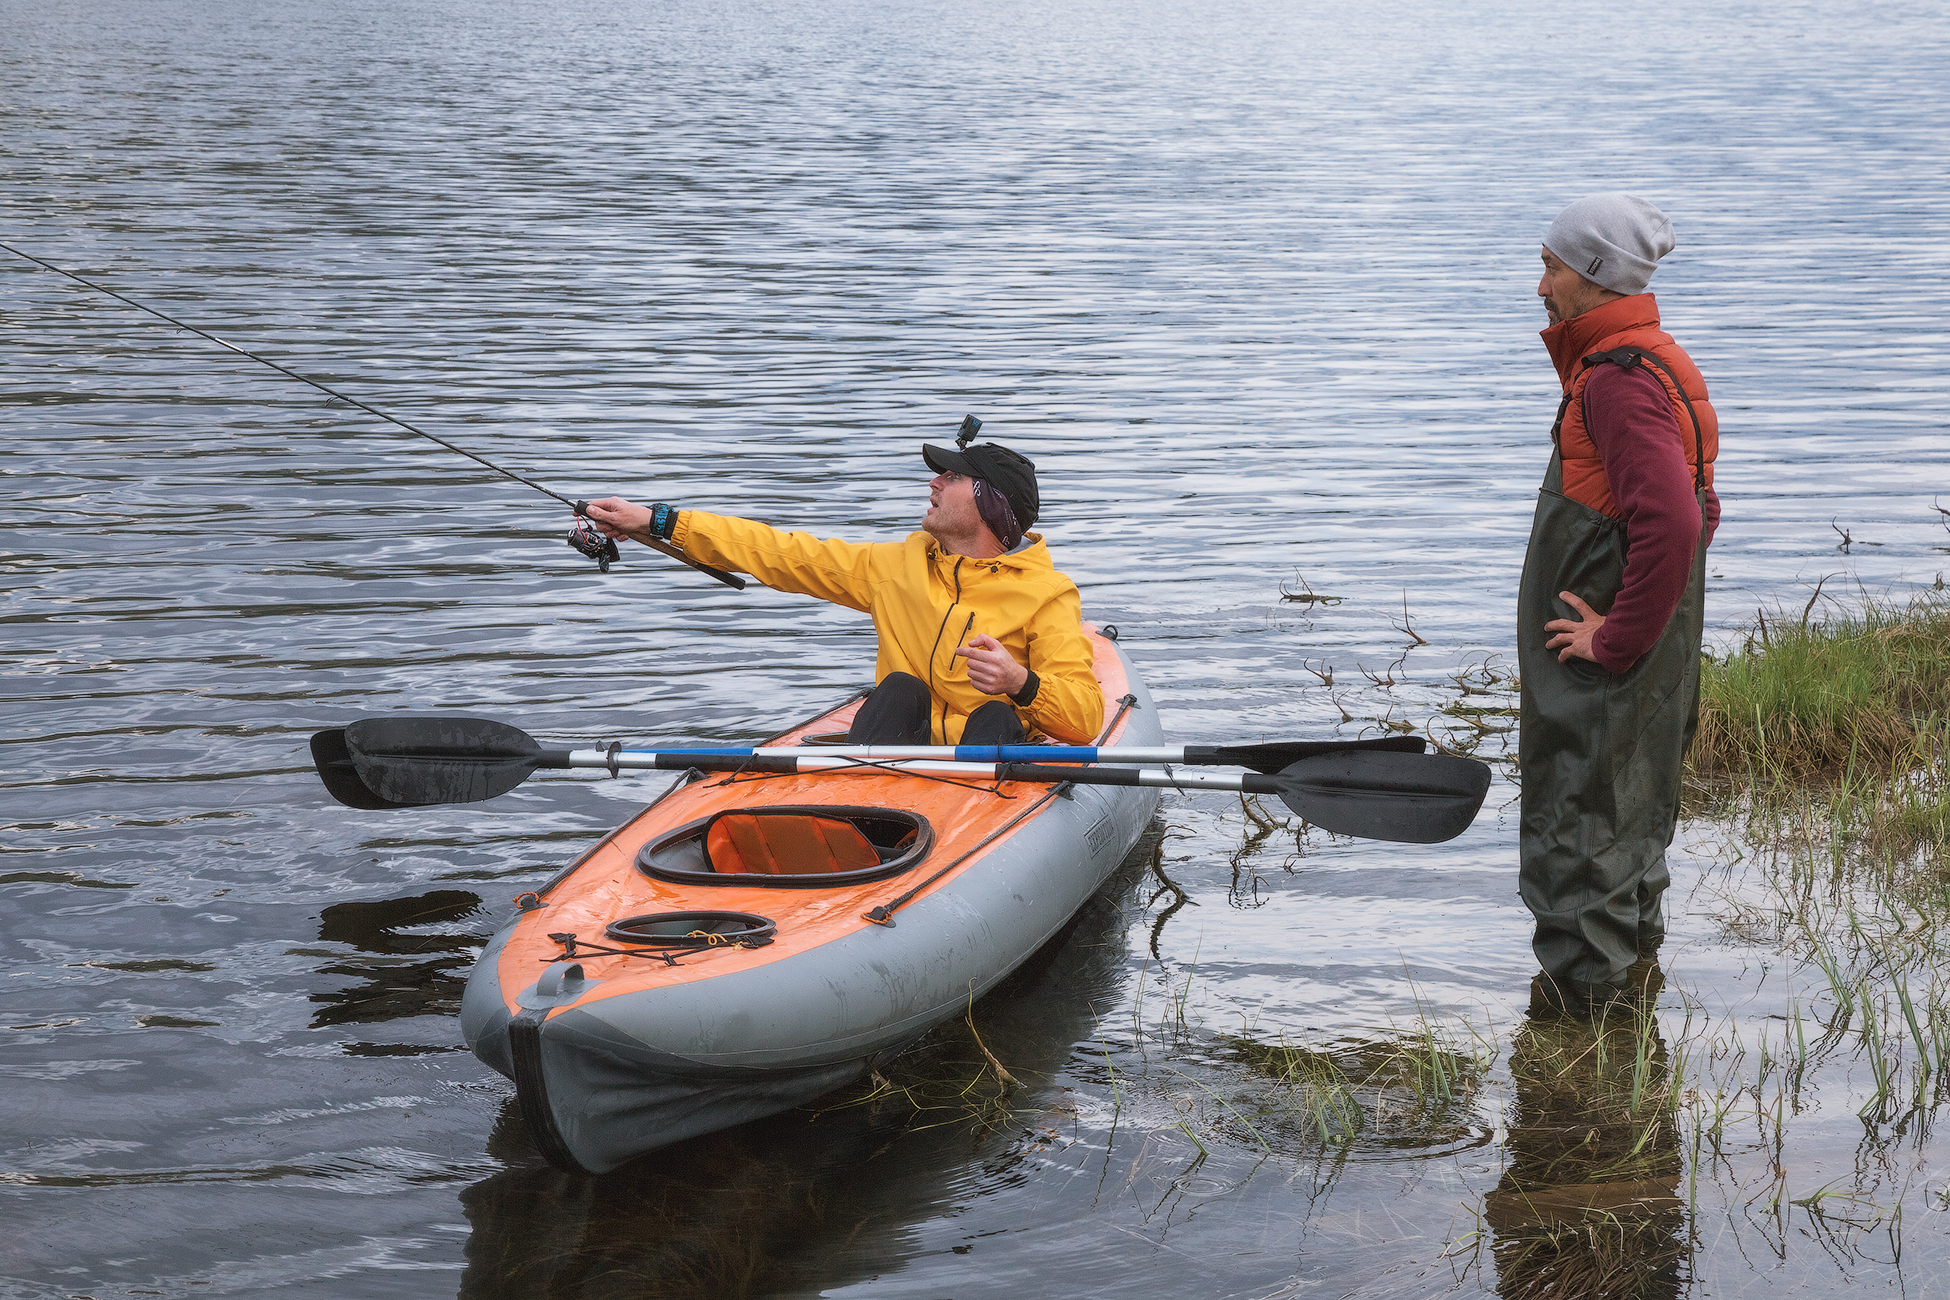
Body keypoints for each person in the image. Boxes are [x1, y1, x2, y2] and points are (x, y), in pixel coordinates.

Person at [1518, 194, 1721, 1014]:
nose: (1541, 286)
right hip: (1652, 651)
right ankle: (1629, 1024)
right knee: (1628, 825)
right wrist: (1648, 628)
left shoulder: (1616, 380)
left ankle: (1579, 1038)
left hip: (1607, 665)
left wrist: (1614, 638)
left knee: (1582, 832)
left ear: (1596, 274)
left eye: (1552, 267)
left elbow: (1675, 520)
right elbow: (1702, 504)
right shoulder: (1657, 359)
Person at [581, 433, 1106, 746]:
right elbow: (778, 552)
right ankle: (862, 812)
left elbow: (1085, 719)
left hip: (990, 768)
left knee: (994, 715)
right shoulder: (896, 567)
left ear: (990, 503)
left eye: (951, 477)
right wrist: (658, 522)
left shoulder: (1048, 594)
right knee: (898, 691)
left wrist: (1020, 682)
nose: (933, 482)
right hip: (906, 760)